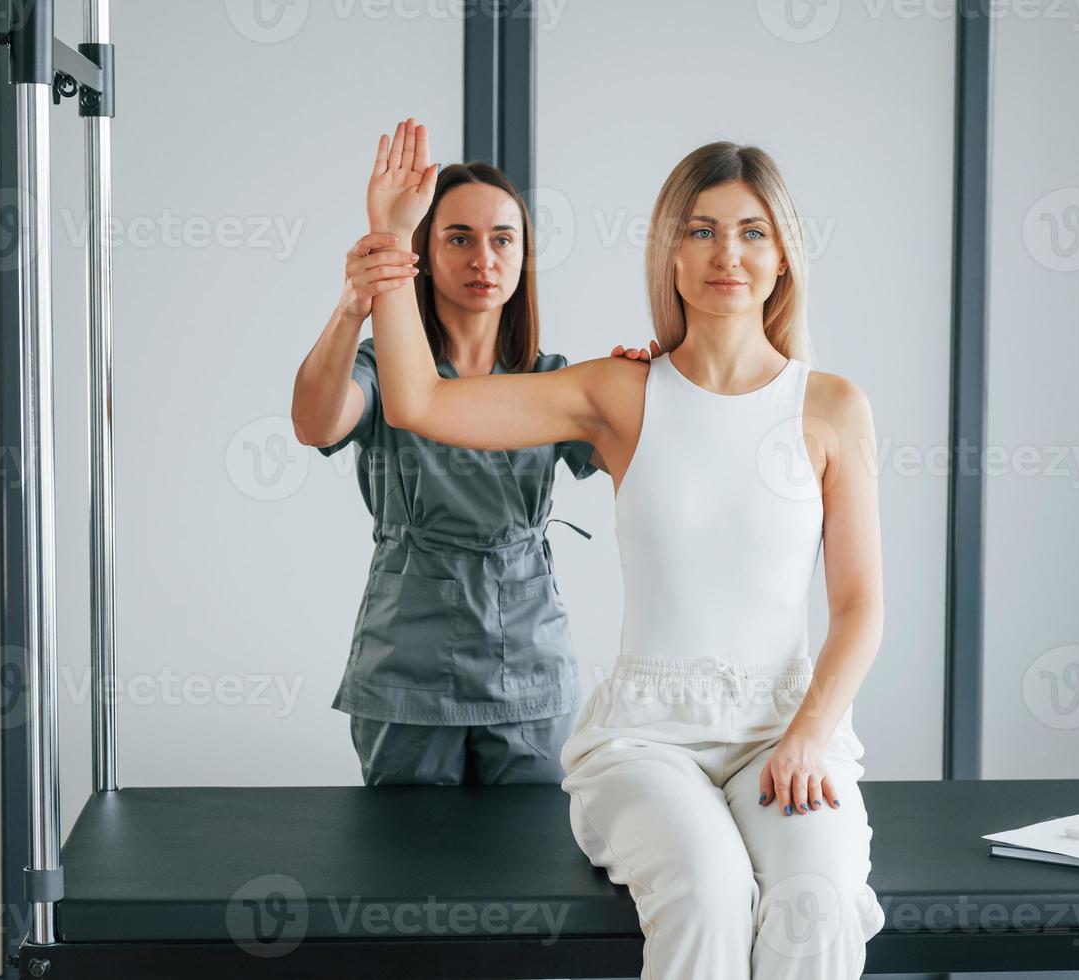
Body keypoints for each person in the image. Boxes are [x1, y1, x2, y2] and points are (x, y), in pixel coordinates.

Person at [363, 117, 887, 978]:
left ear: (783, 255)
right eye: (703, 230)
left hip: (787, 731)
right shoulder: (619, 392)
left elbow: (861, 605)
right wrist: (390, 240)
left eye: (753, 232)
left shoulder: (832, 407)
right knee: (708, 892)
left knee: (818, 906)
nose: (729, 254)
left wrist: (807, 736)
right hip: (647, 743)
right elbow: (416, 401)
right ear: (670, 255)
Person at [292, 156, 655, 786]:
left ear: (522, 257)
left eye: (502, 239)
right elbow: (315, 425)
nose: (482, 259)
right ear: (426, 254)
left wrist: (637, 389)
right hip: (407, 656)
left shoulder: (552, 379)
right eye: (458, 238)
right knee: (405, 867)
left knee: (534, 867)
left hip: (529, 656)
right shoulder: (384, 370)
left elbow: (641, 461)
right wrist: (354, 307)